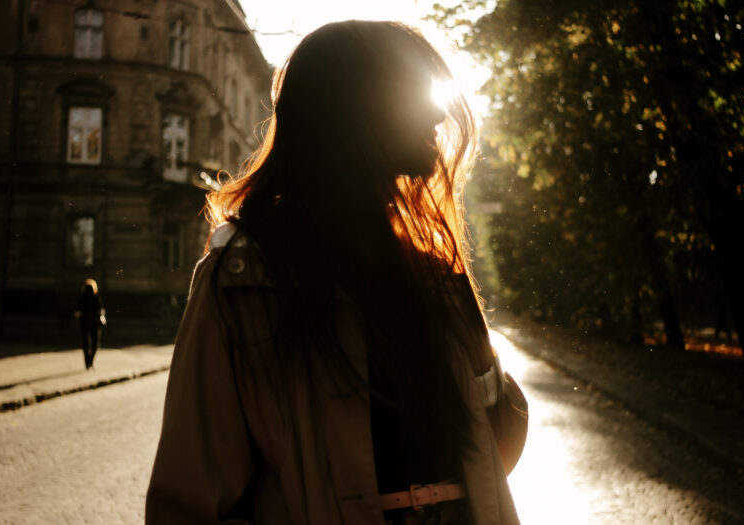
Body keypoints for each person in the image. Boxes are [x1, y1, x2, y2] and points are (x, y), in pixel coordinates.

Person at [147, 20, 526, 525]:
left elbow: (493, 445)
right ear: (357, 111)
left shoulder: (429, 273)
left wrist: (474, 342)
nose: (437, 113)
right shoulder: (244, 279)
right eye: (416, 93)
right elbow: (190, 500)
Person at [74, 278, 105, 370]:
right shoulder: (96, 297)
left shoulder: (82, 298)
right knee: (95, 343)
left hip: (84, 323)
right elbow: (101, 310)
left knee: (85, 344)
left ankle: (87, 362)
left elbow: (77, 312)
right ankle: (91, 361)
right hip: (95, 324)